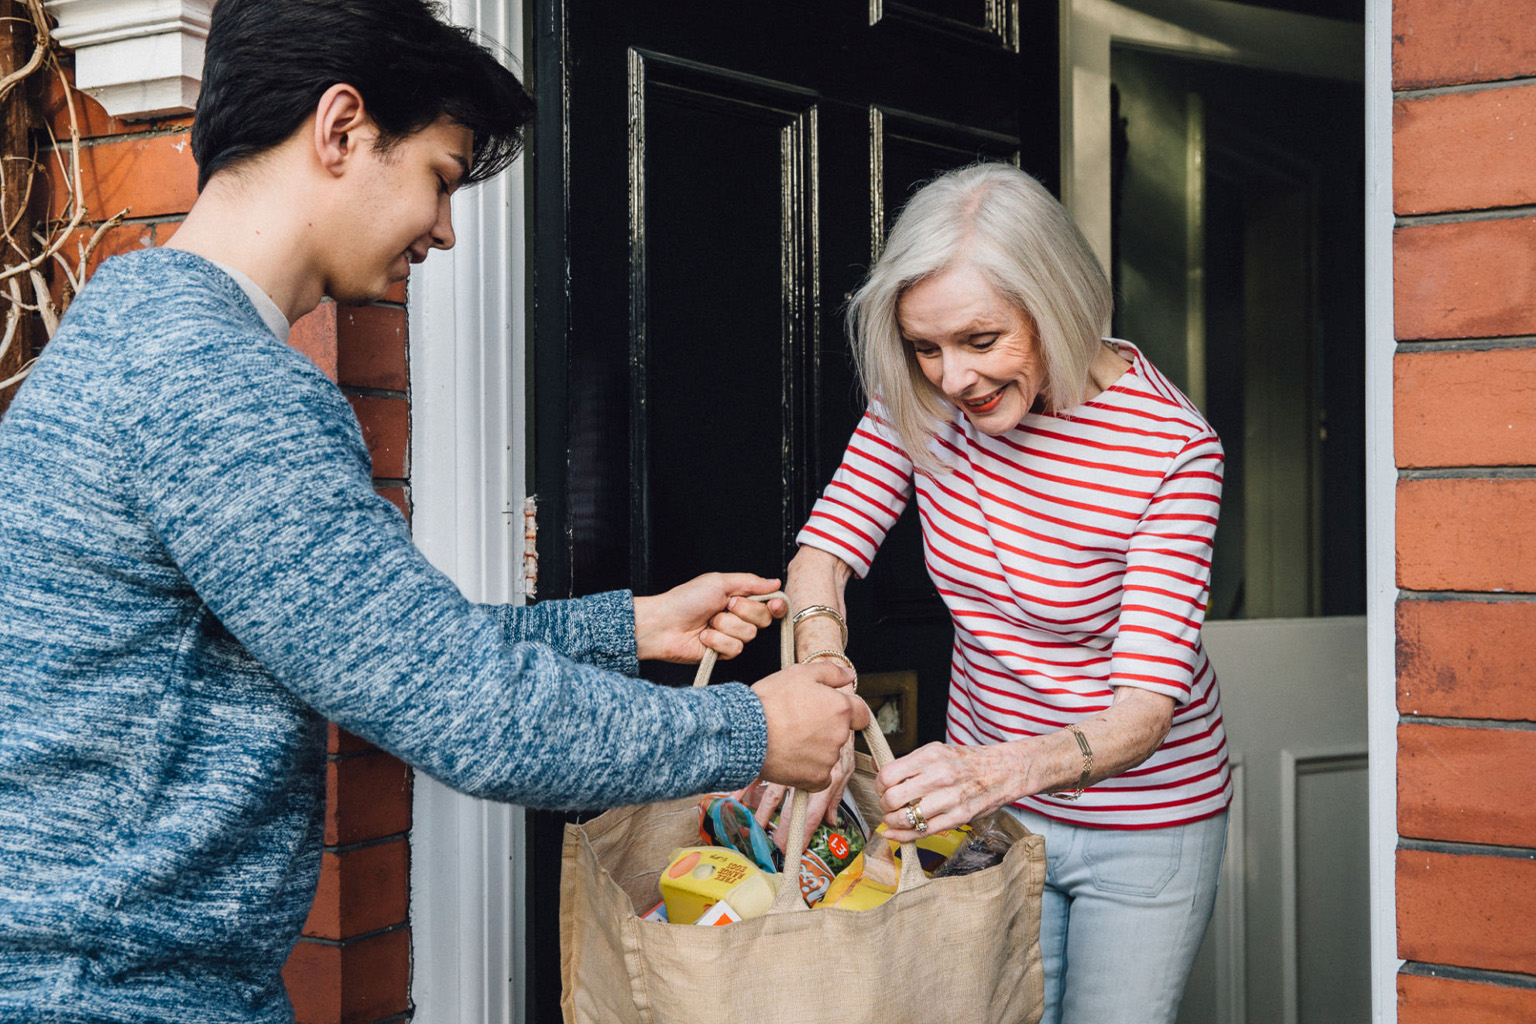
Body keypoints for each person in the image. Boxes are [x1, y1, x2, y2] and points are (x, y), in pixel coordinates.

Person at [0, 1, 866, 1020]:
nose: (446, 232)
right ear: (340, 128)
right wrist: (750, 727)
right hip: (114, 994)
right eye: (440, 180)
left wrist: (625, 627)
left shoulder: (135, 324)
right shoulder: (219, 380)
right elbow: (458, 703)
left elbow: (374, 644)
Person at [777, 162, 1231, 1024]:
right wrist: (821, 670)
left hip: (1145, 821)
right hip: (992, 813)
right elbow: (824, 554)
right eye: (925, 346)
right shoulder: (920, 399)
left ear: (1056, 302)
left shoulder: (1172, 450)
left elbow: (1144, 710)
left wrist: (995, 772)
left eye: (981, 341)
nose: (951, 379)